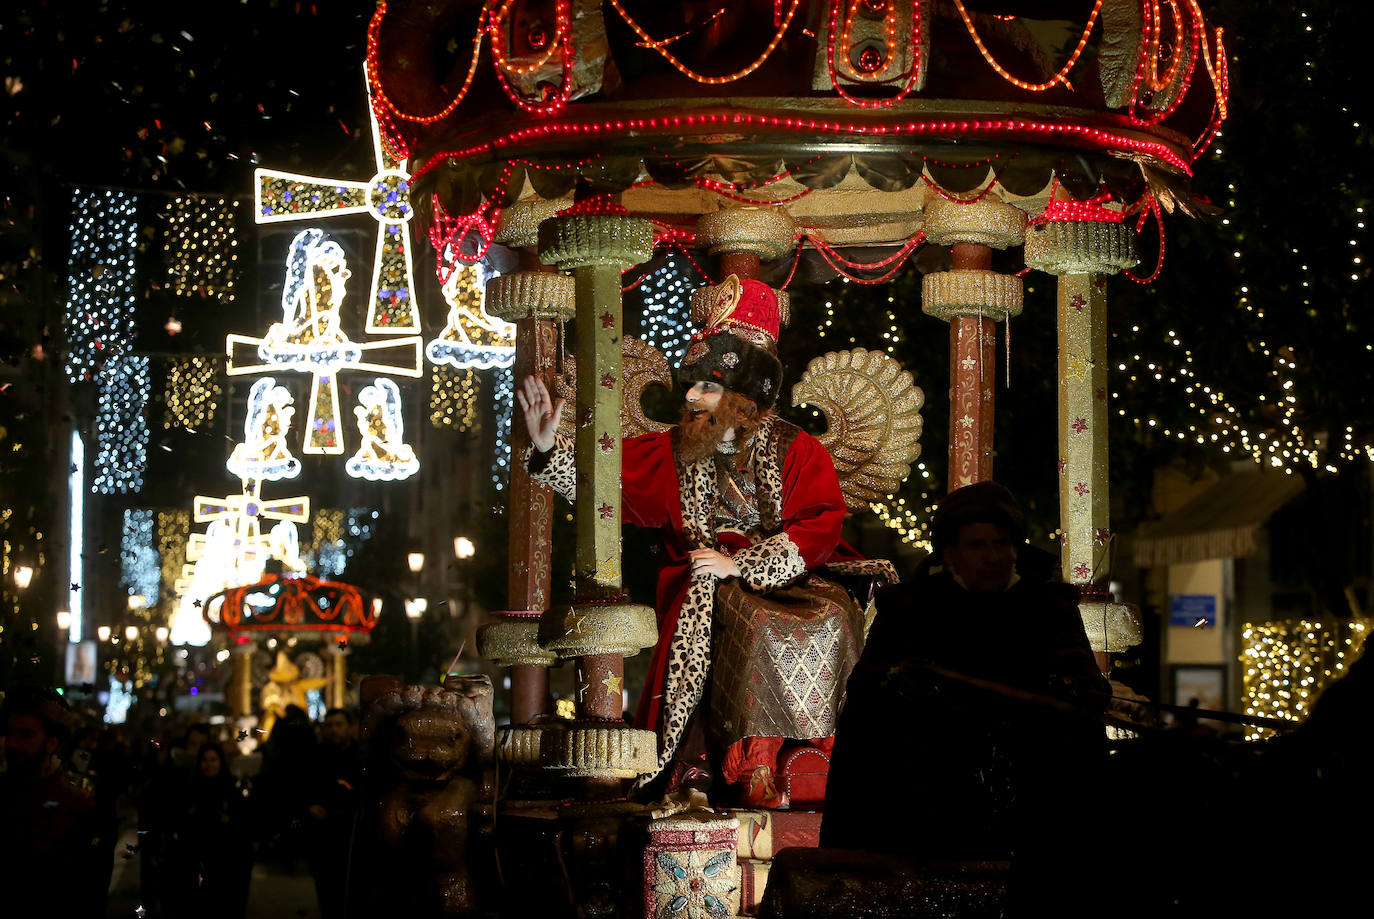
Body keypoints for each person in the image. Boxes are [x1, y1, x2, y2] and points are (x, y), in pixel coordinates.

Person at [519, 275, 876, 806]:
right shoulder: (674, 450)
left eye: (707, 386)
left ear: (742, 395)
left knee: (834, 614)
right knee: (753, 622)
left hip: (789, 575)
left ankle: (819, 753)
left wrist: (746, 564)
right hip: (709, 582)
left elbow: (822, 522)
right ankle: (746, 763)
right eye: (693, 384)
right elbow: (608, 483)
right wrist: (550, 447)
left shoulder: (797, 448)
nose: (690, 396)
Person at [821, 482, 1109, 914]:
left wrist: (1060, 691)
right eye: (977, 545)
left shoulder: (1048, 607)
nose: (992, 557)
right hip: (930, 788)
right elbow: (867, 696)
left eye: (1001, 543)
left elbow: (1087, 686)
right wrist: (910, 690)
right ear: (950, 553)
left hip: (1030, 790)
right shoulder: (909, 608)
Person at [0, 686, 105, 915]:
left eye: (26, 734)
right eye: (9, 733)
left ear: (52, 743)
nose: (12, 744)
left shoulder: (78, 807)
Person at [168, 742, 253, 918]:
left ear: (220, 762)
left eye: (213, 760)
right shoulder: (190, 788)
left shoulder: (230, 789)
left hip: (225, 860)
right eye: (205, 760)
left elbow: (242, 823)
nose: (209, 764)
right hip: (196, 858)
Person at [307, 708, 362, 919]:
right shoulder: (315, 756)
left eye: (339, 725)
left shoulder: (360, 757)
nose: (334, 730)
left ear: (349, 728)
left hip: (351, 834)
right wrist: (311, 806)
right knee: (327, 892)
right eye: (329, 725)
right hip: (322, 835)